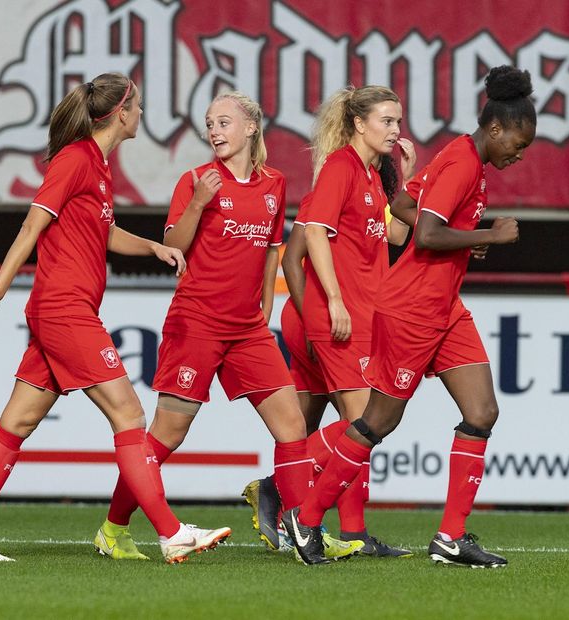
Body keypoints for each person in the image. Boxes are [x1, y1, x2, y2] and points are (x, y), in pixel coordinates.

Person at [0, 73, 230, 564]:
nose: (142, 113)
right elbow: (33, 222)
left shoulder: (96, 165)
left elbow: (103, 232)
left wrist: (154, 248)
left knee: (17, 420)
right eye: (138, 106)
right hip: (64, 310)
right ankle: (171, 532)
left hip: (63, 310)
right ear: (121, 113)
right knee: (129, 414)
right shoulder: (75, 160)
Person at [283, 66, 534, 568]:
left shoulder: (462, 158)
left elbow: (400, 203)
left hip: (445, 307)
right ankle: (306, 517)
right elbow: (424, 237)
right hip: (413, 308)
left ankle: (450, 538)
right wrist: (486, 236)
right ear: (495, 129)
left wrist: (461, 236)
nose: (519, 153)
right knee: (376, 422)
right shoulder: (464, 162)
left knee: (482, 412)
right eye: (518, 142)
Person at [89, 92, 356, 562]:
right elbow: (173, 244)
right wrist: (197, 203)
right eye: (210, 123)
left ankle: (305, 531)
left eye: (224, 122)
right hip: (197, 322)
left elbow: (273, 246)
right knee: (167, 435)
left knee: (292, 425)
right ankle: (113, 528)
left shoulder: (275, 183)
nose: (214, 131)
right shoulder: (195, 181)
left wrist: (267, 303)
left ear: (251, 127)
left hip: (248, 328)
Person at [269, 85, 415, 557]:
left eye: (397, 121)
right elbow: (312, 233)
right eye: (387, 121)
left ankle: (351, 532)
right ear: (359, 123)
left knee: (356, 426)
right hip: (341, 317)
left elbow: (392, 232)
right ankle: (279, 493)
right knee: (364, 424)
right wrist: (332, 300)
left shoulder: (372, 176)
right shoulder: (339, 168)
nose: (396, 130)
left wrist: (408, 181)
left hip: (363, 315)